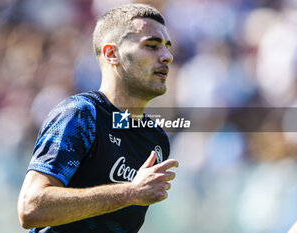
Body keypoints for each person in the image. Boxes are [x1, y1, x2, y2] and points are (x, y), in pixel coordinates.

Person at [17, 3, 178, 233]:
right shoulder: (81, 115)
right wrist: (130, 192)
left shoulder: (155, 139)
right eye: (151, 46)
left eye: (167, 48)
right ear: (112, 54)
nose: (167, 57)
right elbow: (31, 208)